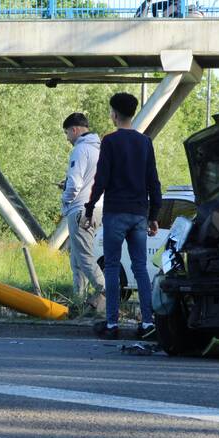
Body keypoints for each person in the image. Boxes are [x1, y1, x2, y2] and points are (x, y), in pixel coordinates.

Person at [82, 93, 161, 339]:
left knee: (113, 267)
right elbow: (153, 181)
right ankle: (148, 323)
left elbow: (101, 178)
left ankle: (112, 324)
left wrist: (89, 207)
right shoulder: (145, 142)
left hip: (115, 212)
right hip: (139, 214)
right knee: (139, 268)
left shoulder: (110, 141)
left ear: (115, 113)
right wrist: (154, 215)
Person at [60, 113, 105, 312]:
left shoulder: (80, 150)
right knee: (77, 258)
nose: (68, 138)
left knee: (84, 258)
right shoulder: (100, 150)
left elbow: (76, 184)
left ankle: (107, 292)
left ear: (75, 129)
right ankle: (79, 301)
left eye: (67, 133)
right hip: (98, 208)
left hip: (80, 209)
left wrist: (65, 199)